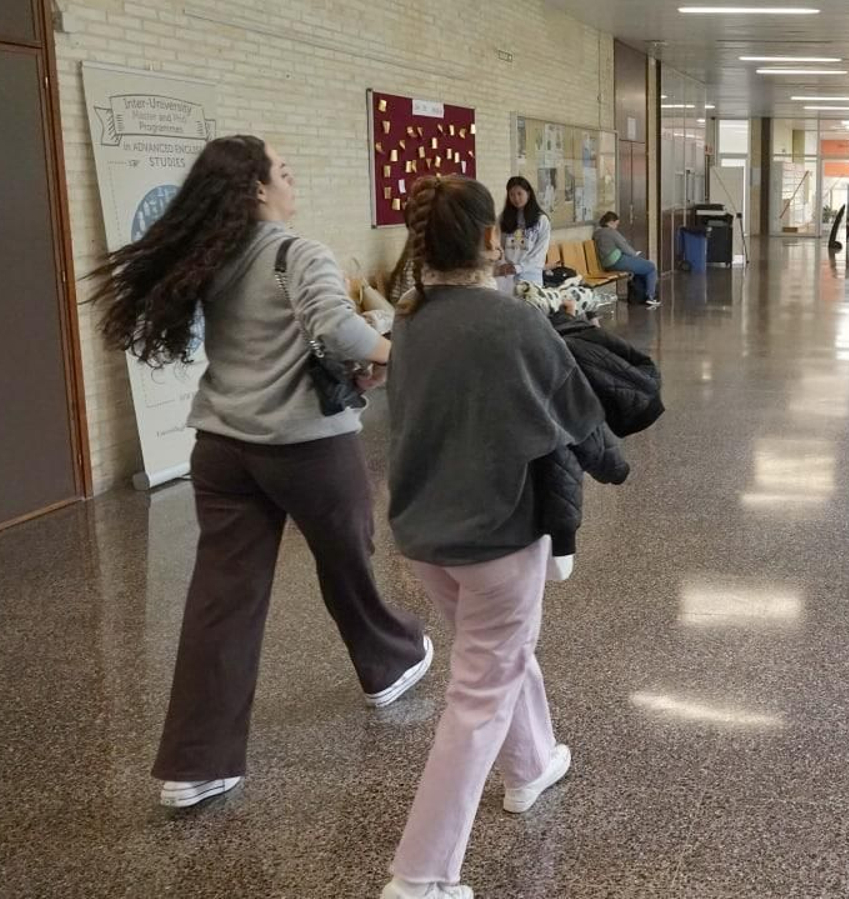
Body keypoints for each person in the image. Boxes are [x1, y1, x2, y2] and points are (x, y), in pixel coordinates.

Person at [88, 135, 431, 810]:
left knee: (223, 598)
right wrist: (408, 352)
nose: (292, 178)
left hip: (220, 448)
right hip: (305, 446)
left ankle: (196, 764)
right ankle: (389, 662)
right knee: (348, 558)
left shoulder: (211, 256)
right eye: (284, 170)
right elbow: (339, 330)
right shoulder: (297, 252)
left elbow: (282, 337)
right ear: (256, 189)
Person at [382, 175, 627, 899]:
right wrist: (616, 459)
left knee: (497, 655)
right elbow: (578, 412)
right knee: (479, 691)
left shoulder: (411, 322)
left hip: (426, 536)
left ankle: (532, 762)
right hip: (497, 535)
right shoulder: (514, 323)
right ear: (492, 239)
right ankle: (420, 874)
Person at [495, 176, 550, 295]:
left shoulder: (541, 220)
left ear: (528, 194)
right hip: (507, 276)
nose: (516, 198)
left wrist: (519, 267)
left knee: (531, 310)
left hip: (531, 276)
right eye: (512, 194)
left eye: (520, 194)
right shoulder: (503, 218)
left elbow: (540, 252)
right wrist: (503, 264)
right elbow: (497, 244)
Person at [594, 212, 660, 307]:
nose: (616, 227)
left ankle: (641, 296)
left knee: (640, 268)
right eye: (616, 224)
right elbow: (624, 247)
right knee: (650, 267)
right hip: (617, 261)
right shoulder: (611, 232)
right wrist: (635, 254)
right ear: (611, 222)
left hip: (606, 264)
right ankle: (651, 297)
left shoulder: (597, 233)